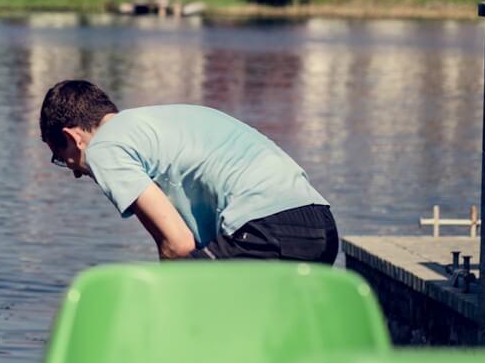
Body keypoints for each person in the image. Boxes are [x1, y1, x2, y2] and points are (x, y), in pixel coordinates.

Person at [39, 80, 337, 263]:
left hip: (266, 230)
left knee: (181, 309)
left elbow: (177, 245)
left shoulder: (103, 147)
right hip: (321, 225)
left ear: (71, 137)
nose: (75, 171)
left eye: (61, 156)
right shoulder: (161, 122)